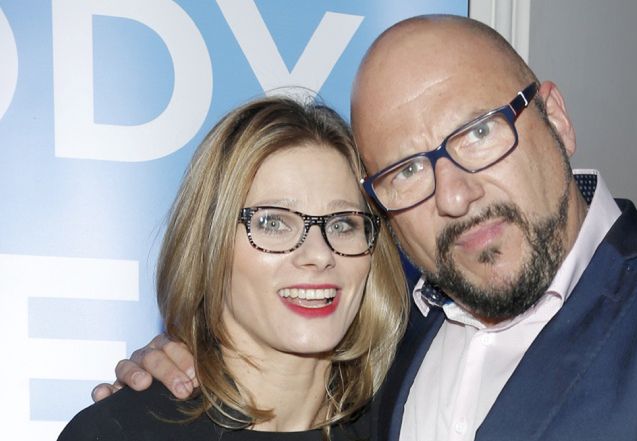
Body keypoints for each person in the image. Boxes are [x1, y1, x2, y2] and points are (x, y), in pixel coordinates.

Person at [94, 15, 637, 441]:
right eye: (405, 170)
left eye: (478, 132)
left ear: (555, 117)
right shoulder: (394, 348)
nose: (454, 195)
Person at [60, 96, 408, 440]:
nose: (318, 254)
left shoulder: (406, 422)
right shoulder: (119, 432)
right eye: (273, 223)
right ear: (210, 244)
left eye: (343, 224)